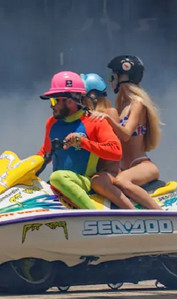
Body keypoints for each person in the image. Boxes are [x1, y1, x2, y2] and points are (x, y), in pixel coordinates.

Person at [37, 71, 122, 209]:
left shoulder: (95, 121)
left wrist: (83, 143)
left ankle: (95, 216)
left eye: (54, 100)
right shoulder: (51, 122)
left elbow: (116, 151)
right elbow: (44, 153)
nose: (51, 105)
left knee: (57, 177)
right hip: (61, 185)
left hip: (85, 183)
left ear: (70, 101)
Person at [100, 55, 162, 210]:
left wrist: (107, 118)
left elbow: (126, 134)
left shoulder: (137, 104)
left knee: (121, 181)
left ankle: (159, 214)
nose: (110, 81)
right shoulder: (121, 107)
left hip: (141, 164)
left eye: (111, 76)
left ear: (123, 76)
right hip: (126, 167)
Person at [80, 73, 135, 209]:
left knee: (98, 182)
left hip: (110, 173)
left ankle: (133, 213)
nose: (79, 102)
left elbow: (116, 150)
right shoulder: (86, 117)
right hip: (93, 173)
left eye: (82, 97)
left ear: (92, 97)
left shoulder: (109, 113)